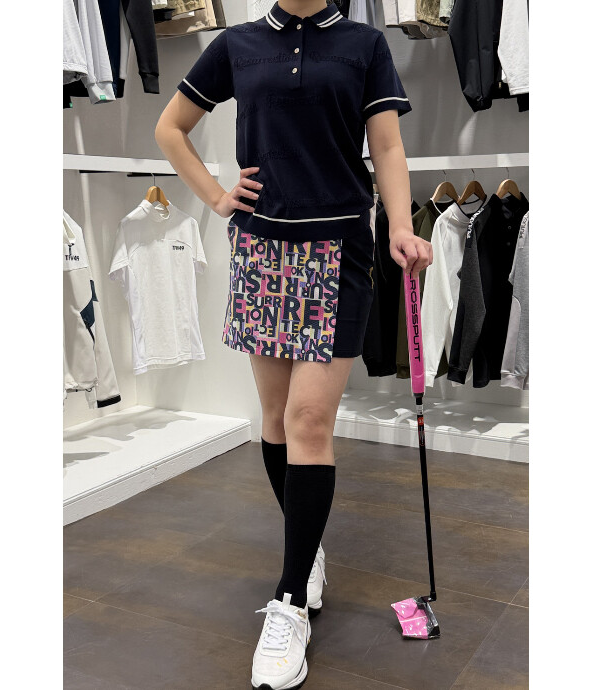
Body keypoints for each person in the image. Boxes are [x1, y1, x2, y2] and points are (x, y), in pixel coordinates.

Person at [155, 2, 432, 688]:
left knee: (310, 422)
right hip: (262, 251)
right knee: (276, 420)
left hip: (339, 249)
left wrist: (400, 225)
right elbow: (171, 127)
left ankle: (289, 602)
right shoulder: (238, 44)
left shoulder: (364, 43)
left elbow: (387, 147)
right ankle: (305, 554)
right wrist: (216, 196)